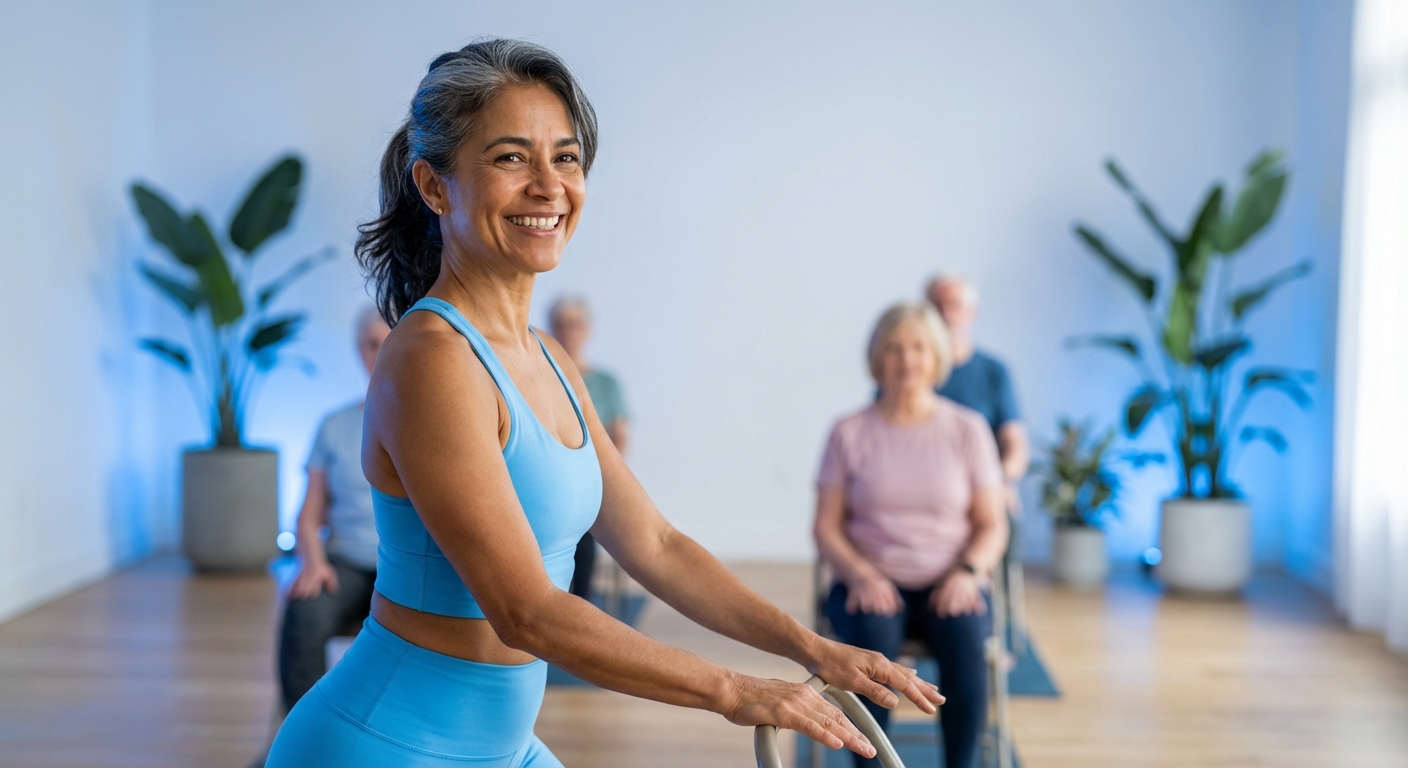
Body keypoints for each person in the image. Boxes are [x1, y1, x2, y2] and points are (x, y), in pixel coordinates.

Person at [267, 39, 942, 768]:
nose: (548, 185)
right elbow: (526, 611)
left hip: (504, 748)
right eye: (511, 157)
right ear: (435, 186)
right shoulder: (431, 359)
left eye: (565, 157)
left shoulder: (549, 358)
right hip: (386, 744)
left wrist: (810, 647)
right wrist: (734, 690)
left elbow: (654, 544)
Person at [814, 303, 1009, 768]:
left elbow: (992, 524)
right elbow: (825, 526)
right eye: (895, 349)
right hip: (870, 580)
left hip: (951, 578)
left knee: (965, 634)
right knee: (870, 640)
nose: (907, 360)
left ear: (937, 356)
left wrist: (968, 572)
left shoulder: (968, 429)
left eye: (919, 348)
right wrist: (860, 575)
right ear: (878, 358)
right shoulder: (848, 432)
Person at [276, 307, 391, 713]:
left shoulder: (429, 421)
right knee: (304, 612)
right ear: (359, 350)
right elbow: (308, 517)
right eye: (370, 344)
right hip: (346, 565)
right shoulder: (333, 426)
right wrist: (313, 562)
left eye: (388, 342)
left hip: (406, 568)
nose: (379, 353)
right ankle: (300, 735)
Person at [548, 295, 629, 601]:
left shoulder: (606, 383)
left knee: (583, 533)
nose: (567, 332)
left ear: (586, 330)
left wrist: (597, 478)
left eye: (574, 324)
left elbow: (619, 436)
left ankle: (580, 602)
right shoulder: (539, 379)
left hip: (590, 484)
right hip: (550, 483)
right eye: (560, 324)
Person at [925, 276, 1030, 507]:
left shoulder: (994, 371)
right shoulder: (908, 373)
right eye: (937, 306)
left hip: (983, 490)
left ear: (972, 313)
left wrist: (996, 480)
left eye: (955, 305)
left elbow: (1016, 449)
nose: (946, 315)